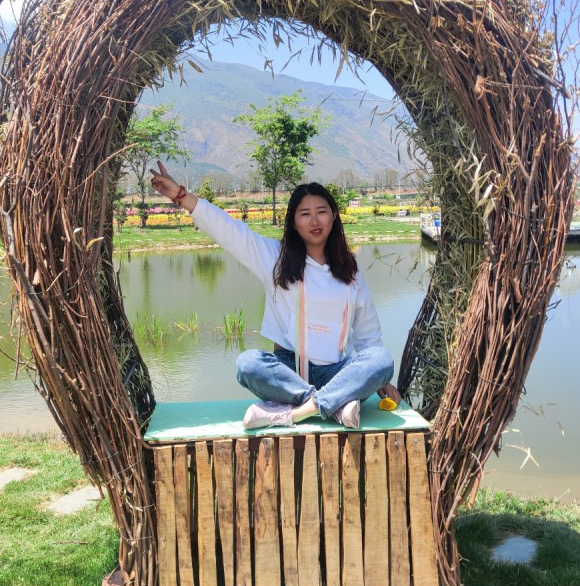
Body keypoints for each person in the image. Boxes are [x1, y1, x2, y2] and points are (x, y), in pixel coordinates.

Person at [149, 161, 401, 429]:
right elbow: (231, 232)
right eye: (305, 214)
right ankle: (335, 405)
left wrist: (381, 380)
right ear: (293, 222)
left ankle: (297, 412)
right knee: (248, 364)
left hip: (337, 371)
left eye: (321, 212)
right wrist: (181, 196)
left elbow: (367, 332)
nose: (315, 221)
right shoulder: (275, 259)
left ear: (334, 216)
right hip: (288, 372)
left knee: (381, 360)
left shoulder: (350, 268)